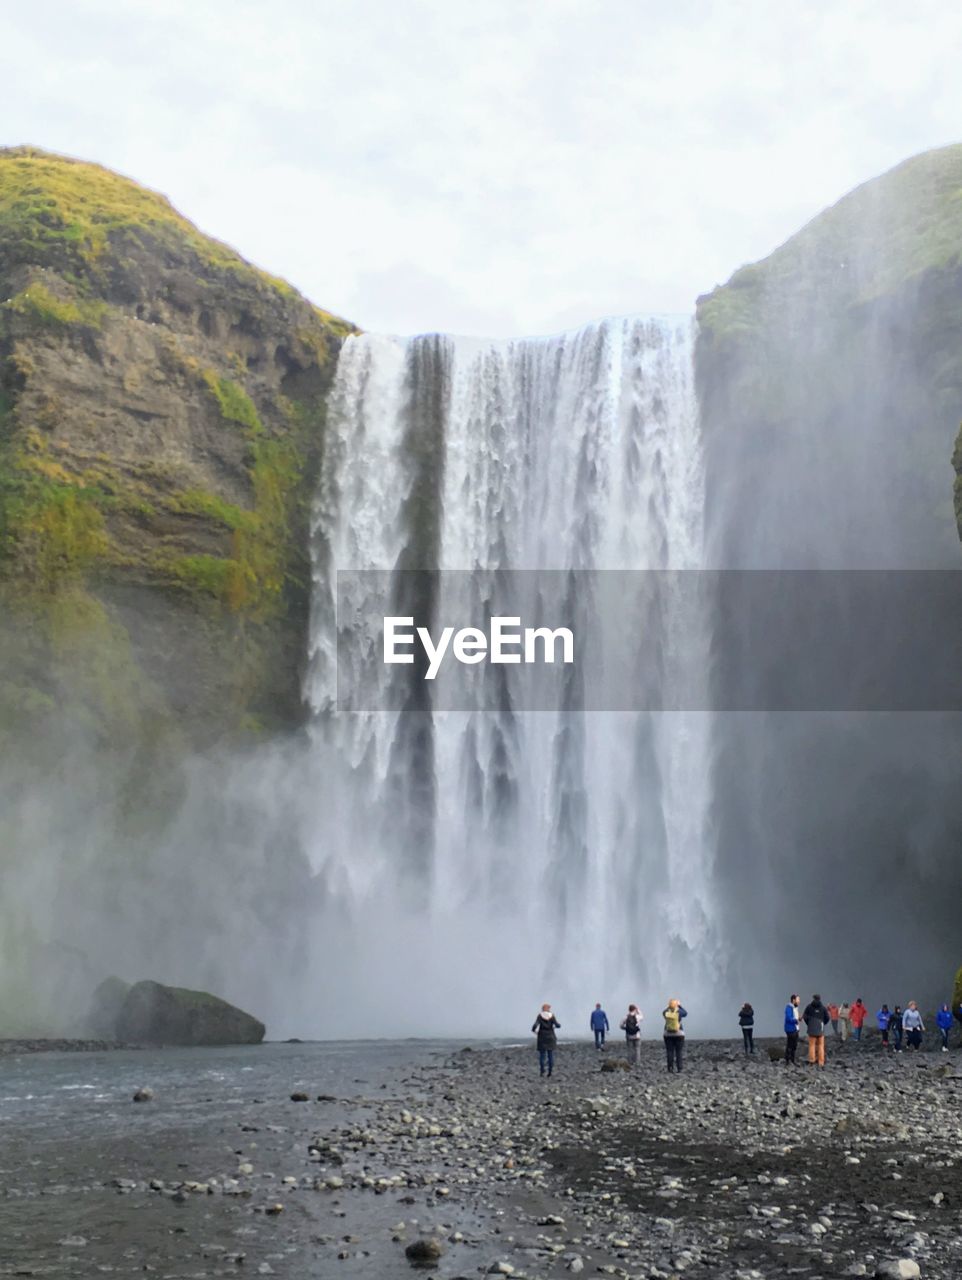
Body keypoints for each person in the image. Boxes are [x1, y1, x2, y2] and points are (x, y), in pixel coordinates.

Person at [532, 1003, 560, 1076]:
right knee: (550, 1054)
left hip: (542, 1036)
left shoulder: (540, 1016)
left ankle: (542, 1071)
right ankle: (550, 1071)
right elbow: (558, 1025)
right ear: (548, 1009)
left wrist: (534, 1030)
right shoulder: (552, 1016)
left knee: (542, 1055)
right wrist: (555, 1026)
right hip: (550, 1036)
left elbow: (535, 1025)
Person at [803, 994, 829, 1067]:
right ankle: (821, 1062)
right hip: (820, 1028)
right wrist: (823, 1023)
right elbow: (827, 1017)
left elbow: (805, 1016)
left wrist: (809, 1023)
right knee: (820, 1045)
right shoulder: (823, 1008)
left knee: (812, 1045)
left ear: (813, 998)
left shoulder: (809, 1007)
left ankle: (812, 1060)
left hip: (811, 1028)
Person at [662, 999, 687, 1072]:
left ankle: (670, 1068)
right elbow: (685, 1013)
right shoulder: (679, 1011)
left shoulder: (666, 1012)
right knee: (678, 1052)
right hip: (679, 1034)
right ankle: (680, 1068)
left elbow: (663, 1012)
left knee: (669, 1051)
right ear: (676, 1005)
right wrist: (679, 1005)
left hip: (668, 1034)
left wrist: (669, 1006)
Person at [784, 993, 801, 1065]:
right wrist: (796, 1020)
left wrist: (798, 1019)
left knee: (794, 1045)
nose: (799, 1001)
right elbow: (788, 1018)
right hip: (790, 1029)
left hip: (795, 1028)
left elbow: (794, 1017)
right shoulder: (789, 1007)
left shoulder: (795, 1007)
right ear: (793, 1000)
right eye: (798, 999)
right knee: (790, 1044)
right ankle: (788, 1060)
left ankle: (791, 1060)